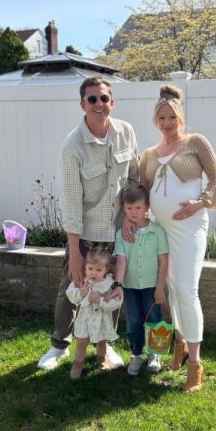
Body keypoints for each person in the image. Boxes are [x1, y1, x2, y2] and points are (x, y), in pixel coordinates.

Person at [37, 76, 139, 370]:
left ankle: (105, 345)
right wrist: (75, 251)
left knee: (113, 286)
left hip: (117, 231)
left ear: (112, 102)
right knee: (71, 286)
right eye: (92, 99)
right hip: (86, 233)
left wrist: (131, 218)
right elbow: (70, 202)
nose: (99, 104)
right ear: (82, 104)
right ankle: (59, 345)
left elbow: (134, 177)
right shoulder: (72, 147)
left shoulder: (126, 132)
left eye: (104, 98)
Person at [135, 84, 216, 392]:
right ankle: (180, 346)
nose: (167, 123)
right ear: (155, 121)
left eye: (171, 117)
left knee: (187, 289)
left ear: (180, 118)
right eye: (161, 118)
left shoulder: (196, 142)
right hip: (161, 229)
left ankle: (196, 365)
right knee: (172, 289)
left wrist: (200, 202)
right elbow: (141, 191)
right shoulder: (149, 154)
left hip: (189, 228)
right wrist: (135, 221)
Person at [113, 185, 169, 376]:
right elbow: (121, 260)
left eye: (138, 207)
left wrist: (160, 287)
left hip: (152, 286)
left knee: (153, 319)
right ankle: (136, 354)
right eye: (129, 208)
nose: (133, 212)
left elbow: (163, 261)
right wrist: (118, 284)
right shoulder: (122, 234)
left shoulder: (158, 232)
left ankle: (154, 354)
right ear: (123, 208)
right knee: (134, 320)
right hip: (130, 287)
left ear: (147, 207)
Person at [65, 247, 123, 380]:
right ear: (85, 267)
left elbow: (116, 302)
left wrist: (100, 300)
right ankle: (77, 365)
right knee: (81, 343)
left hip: (102, 319)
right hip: (84, 319)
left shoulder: (110, 284)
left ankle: (101, 360)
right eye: (90, 268)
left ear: (106, 270)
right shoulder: (81, 281)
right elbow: (70, 294)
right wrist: (80, 293)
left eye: (98, 270)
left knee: (102, 341)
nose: (94, 273)